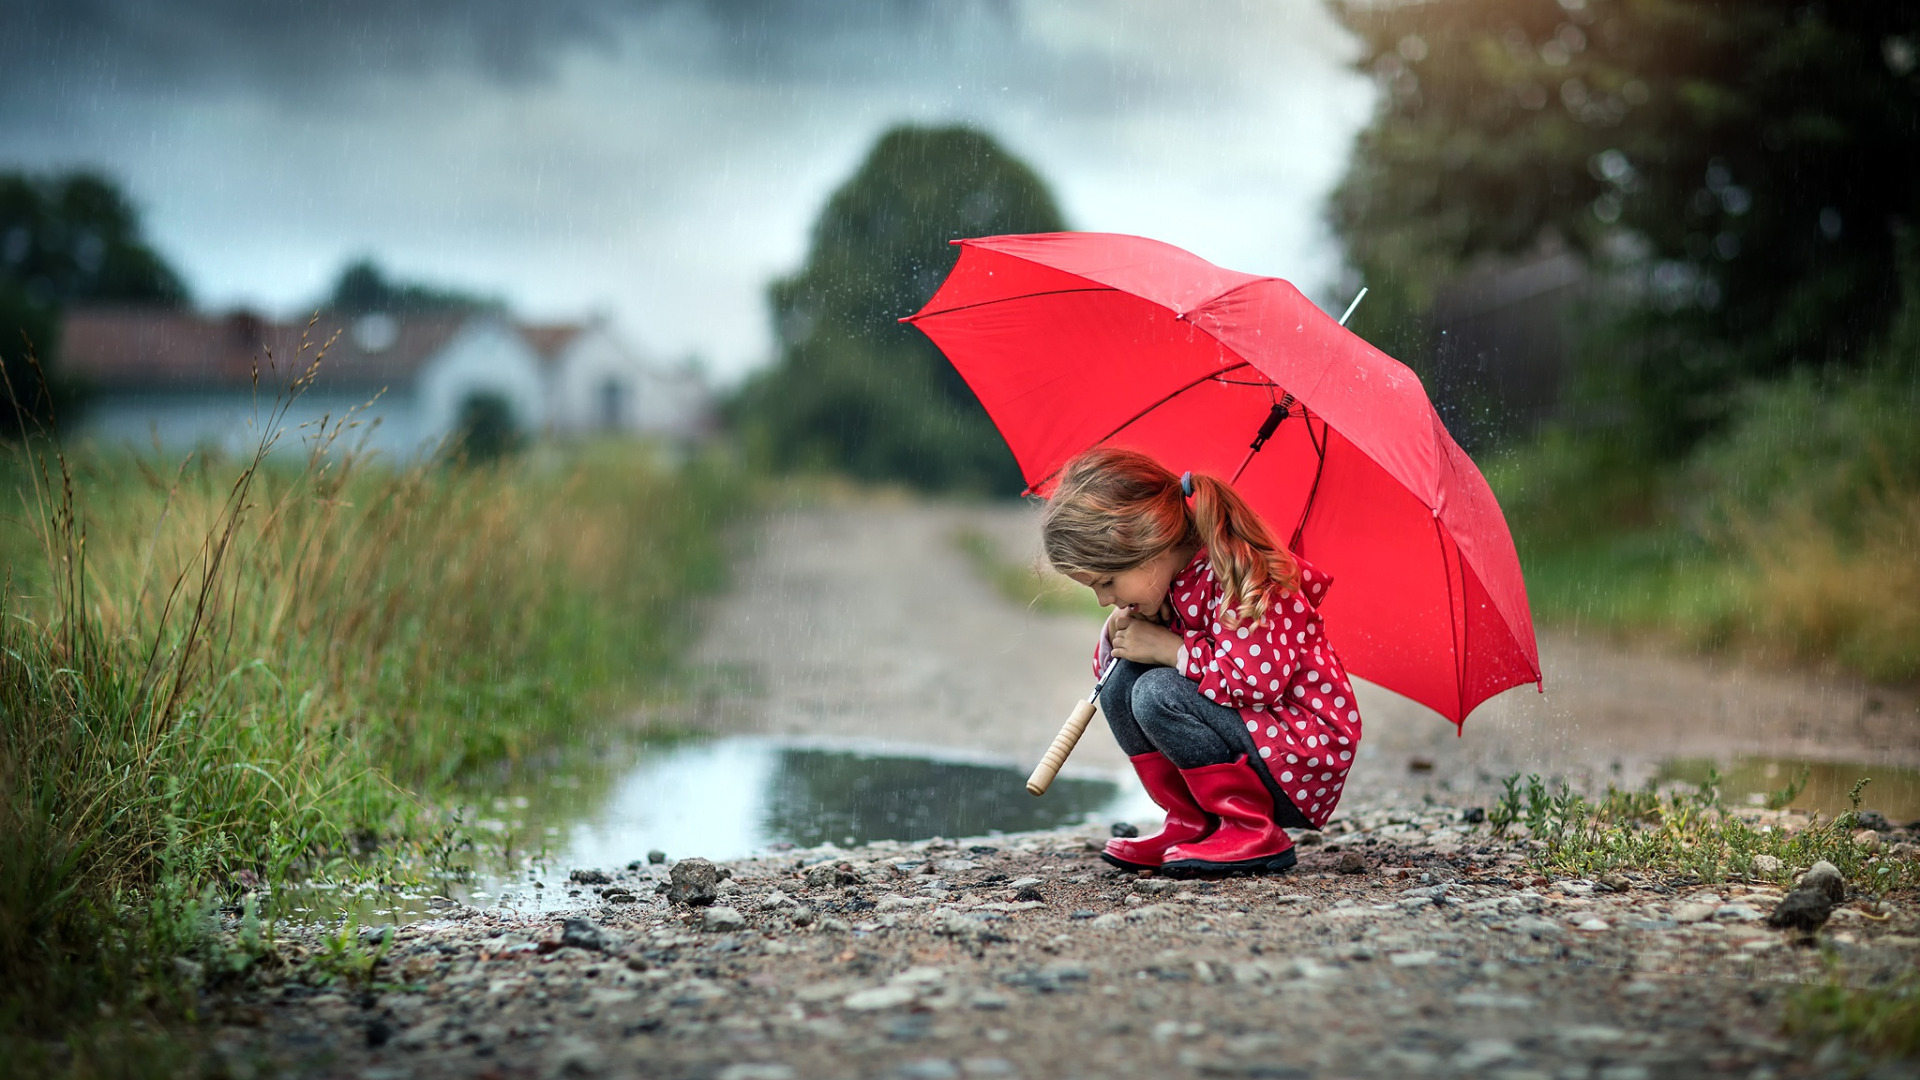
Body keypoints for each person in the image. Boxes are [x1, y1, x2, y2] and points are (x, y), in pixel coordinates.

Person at [1041, 447, 1362, 876]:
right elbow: (1114, 674)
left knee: (1157, 692)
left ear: (1149, 546)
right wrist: (1120, 632)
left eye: (1108, 583)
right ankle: (1190, 822)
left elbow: (1254, 683)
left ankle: (1250, 827)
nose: (1103, 600)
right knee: (1123, 681)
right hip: (1253, 738)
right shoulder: (1170, 583)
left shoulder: (1244, 572)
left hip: (1298, 757)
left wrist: (1170, 650)